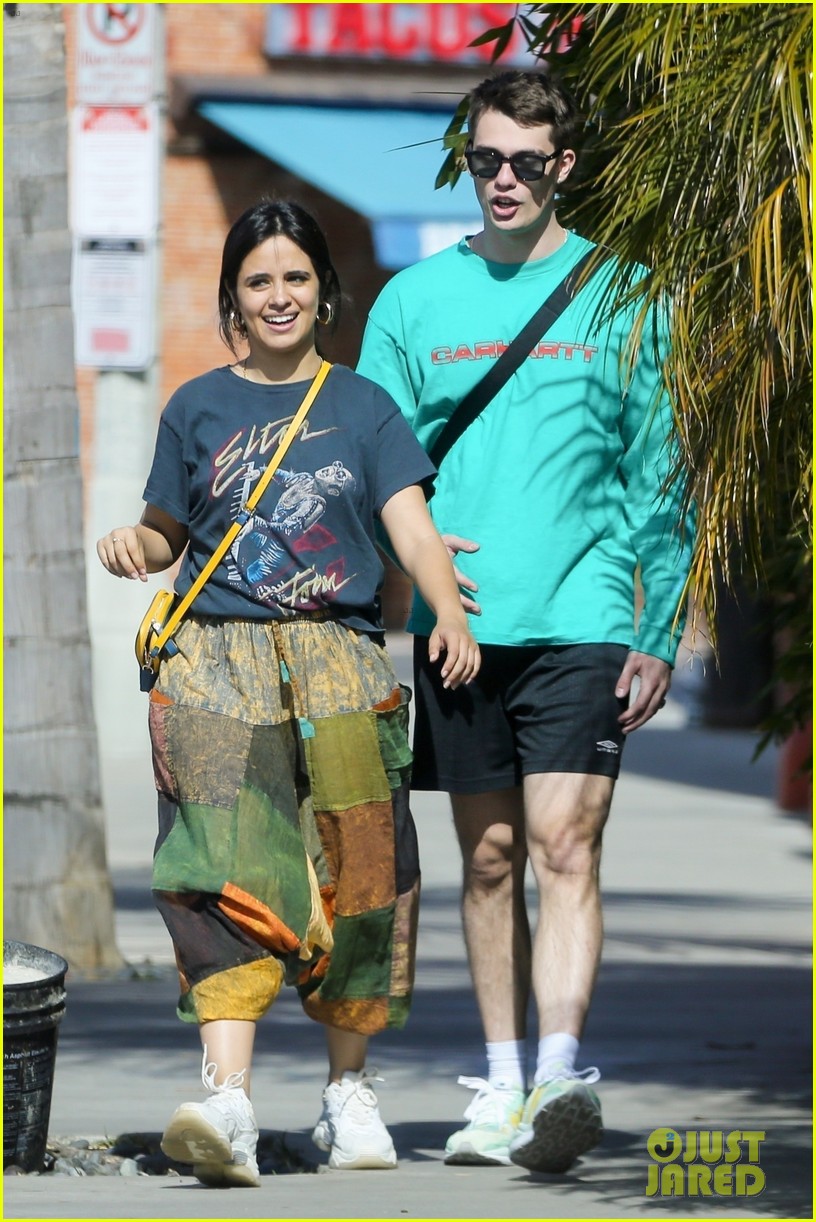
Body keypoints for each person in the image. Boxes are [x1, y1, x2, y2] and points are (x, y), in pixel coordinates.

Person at [97, 199, 480, 1187]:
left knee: (365, 878)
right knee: (219, 870)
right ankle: (226, 1103)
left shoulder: (363, 408)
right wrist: (130, 546)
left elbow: (412, 527)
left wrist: (450, 614)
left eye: (295, 278)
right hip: (216, 670)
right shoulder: (197, 408)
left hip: (343, 669)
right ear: (233, 295)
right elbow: (165, 531)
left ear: (324, 292)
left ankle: (349, 1095)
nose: (278, 296)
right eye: (259, 280)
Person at [356, 69, 695, 1174]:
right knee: (491, 856)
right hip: (463, 623)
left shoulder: (629, 294)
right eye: (486, 160)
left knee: (564, 844)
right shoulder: (412, 301)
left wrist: (659, 624)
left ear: (566, 167)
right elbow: (379, 459)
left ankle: (559, 1077)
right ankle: (499, 1086)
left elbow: (662, 476)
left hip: (588, 614)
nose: (502, 179)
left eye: (524, 162)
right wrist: (406, 541)